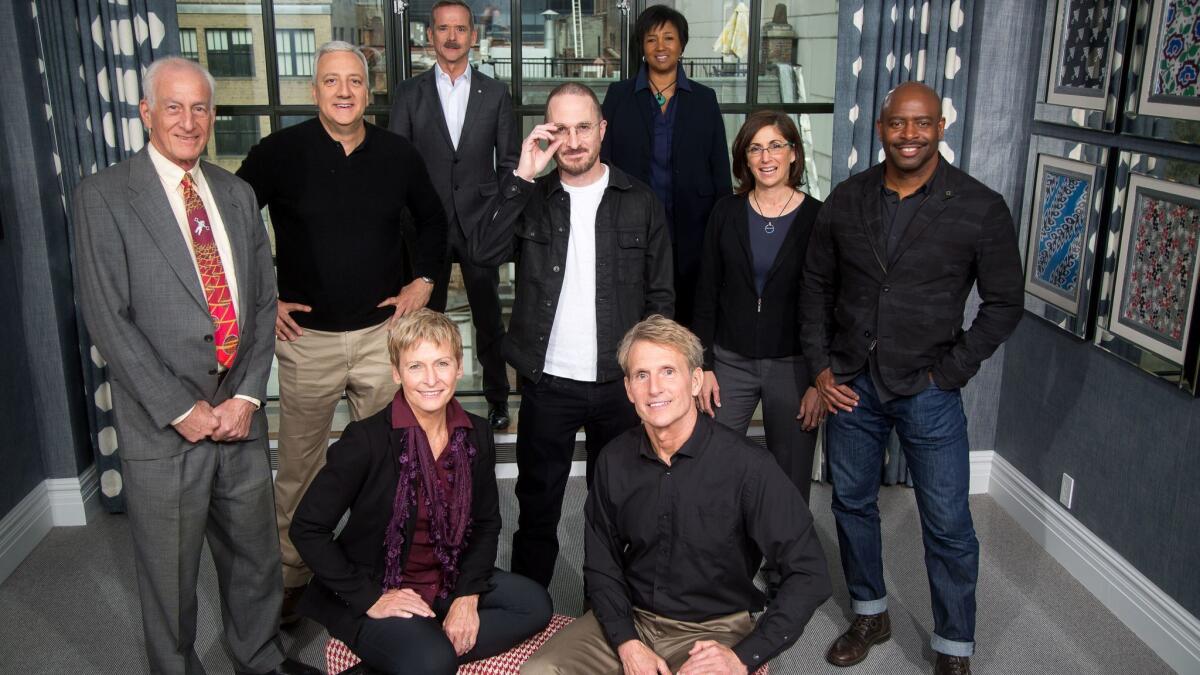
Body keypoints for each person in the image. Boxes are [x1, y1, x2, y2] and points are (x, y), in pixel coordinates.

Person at [73, 57, 317, 675]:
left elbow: (263, 303)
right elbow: (108, 318)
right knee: (168, 573)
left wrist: (246, 399)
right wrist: (182, 409)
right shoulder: (103, 197)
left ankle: (260, 658)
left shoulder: (235, 194)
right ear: (146, 113)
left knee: (255, 559)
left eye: (201, 108)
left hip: (238, 415)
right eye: (174, 107)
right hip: (164, 425)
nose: (189, 121)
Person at [800, 82, 1023, 675]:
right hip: (851, 383)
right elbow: (816, 287)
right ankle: (870, 613)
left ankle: (954, 646)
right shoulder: (847, 199)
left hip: (928, 389)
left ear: (940, 128)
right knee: (851, 505)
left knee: (948, 523)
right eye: (898, 124)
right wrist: (821, 367)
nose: (909, 135)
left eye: (922, 124)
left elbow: (1004, 303)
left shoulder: (979, 206)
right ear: (880, 128)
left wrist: (950, 372)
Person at [236, 41, 448, 623]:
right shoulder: (278, 153)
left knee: (390, 460)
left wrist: (423, 282)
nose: (345, 91)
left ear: (368, 88)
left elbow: (433, 219)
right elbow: (232, 224)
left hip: (385, 338)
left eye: (355, 80)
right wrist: (263, 297)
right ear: (315, 90)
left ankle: (385, 568)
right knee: (301, 466)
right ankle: (293, 576)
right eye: (333, 81)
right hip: (307, 343)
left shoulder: (397, 154)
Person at [521, 316, 831, 675]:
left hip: (712, 628)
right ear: (628, 389)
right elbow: (602, 563)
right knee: (537, 671)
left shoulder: (749, 467)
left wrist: (744, 655)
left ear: (696, 380)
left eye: (668, 371)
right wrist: (626, 641)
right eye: (642, 375)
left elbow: (809, 571)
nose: (655, 388)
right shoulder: (614, 460)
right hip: (631, 618)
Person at [469, 82, 674, 589]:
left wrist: (652, 378)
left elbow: (661, 300)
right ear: (547, 133)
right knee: (537, 506)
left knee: (619, 507)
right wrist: (520, 175)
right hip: (548, 381)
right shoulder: (531, 198)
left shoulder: (640, 201)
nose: (575, 140)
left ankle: (607, 614)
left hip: (618, 383)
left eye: (585, 127)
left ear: (602, 130)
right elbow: (483, 253)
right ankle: (529, 612)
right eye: (562, 129)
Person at [290, 309, 552, 675]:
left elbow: (487, 523)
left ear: (459, 368)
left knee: (535, 604)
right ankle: (419, 652)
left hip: (447, 577)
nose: (431, 379)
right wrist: (372, 599)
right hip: (380, 584)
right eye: (415, 367)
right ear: (397, 373)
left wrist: (466, 596)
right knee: (435, 663)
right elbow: (306, 528)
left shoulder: (475, 433)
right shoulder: (366, 440)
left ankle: (411, 650)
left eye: (442, 363)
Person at [390, 0, 520, 431]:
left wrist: (499, 217)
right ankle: (426, 404)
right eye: (443, 29)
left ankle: (498, 400)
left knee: (489, 320)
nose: (451, 37)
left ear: (472, 36)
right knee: (427, 322)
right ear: (431, 36)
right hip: (427, 226)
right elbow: (398, 163)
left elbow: (509, 166)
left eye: (460, 29)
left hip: (481, 224)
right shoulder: (409, 93)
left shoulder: (496, 93)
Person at [694, 111, 825, 506]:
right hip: (729, 363)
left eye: (775, 146)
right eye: (755, 148)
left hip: (795, 366)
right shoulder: (725, 212)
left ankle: (784, 565)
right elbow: (706, 293)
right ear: (745, 159)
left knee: (790, 475)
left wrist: (821, 381)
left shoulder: (820, 217)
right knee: (711, 463)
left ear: (793, 154)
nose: (766, 157)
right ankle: (720, 558)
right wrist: (704, 366)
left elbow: (830, 303)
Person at [600, 5, 731, 328]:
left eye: (669, 38)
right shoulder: (619, 96)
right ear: (641, 48)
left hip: (692, 227)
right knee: (636, 315)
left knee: (688, 317)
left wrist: (721, 230)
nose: (661, 47)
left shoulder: (704, 98)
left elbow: (719, 166)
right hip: (631, 227)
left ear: (682, 45)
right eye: (651, 39)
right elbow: (603, 161)